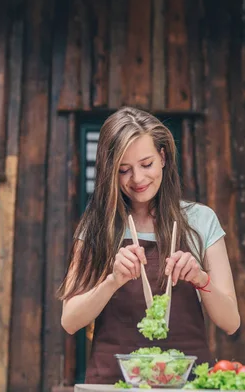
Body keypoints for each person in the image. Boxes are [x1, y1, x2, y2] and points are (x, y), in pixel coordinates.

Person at [58, 107, 240, 384]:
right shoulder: (97, 225)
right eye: (124, 170)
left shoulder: (201, 220)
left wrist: (201, 279)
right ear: (110, 172)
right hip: (112, 383)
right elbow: (70, 321)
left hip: (188, 384)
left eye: (147, 164)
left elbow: (231, 322)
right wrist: (112, 281)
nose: (138, 179)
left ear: (163, 157)